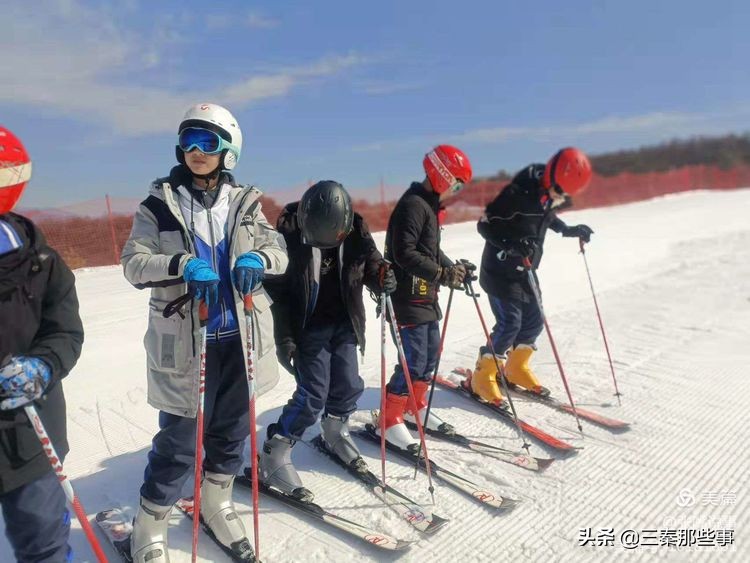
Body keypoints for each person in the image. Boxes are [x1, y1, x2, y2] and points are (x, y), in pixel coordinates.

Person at [121, 103, 288, 563]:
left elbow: (279, 250)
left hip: (240, 340)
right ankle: (150, 523)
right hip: (187, 344)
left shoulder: (245, 202)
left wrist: (260, 260)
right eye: (189, 140)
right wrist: (179, 264)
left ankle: (215, 501)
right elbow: (133, 264)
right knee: (179, 440)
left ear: (228, 150)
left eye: (207, 141)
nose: (196, 150)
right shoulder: (158, 204)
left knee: (233, 430)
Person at [259, 181, 395, 501]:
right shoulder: (289, 237)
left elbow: (372, 262)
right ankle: (274, 451)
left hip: (344, 323)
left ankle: (334, 431)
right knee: (312, 396)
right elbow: (278, 297)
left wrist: (381, 276)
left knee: (349, 385)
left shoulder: (356, 231)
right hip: (309, 329)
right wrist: (285, 339)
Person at [0, 126, 84, 562]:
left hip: (29, 434)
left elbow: (65, 330)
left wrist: (43, 367)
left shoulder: (41, 261)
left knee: (43, 543)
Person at [469, 147, 594, 404]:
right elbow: (484, 224)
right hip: (500, 271)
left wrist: (568, 230)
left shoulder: (546, 193)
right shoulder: (516, 194)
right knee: (509, 324)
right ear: (550, 177)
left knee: (535, 321)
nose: (559, 197)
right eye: (559, 191)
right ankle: (482, 378)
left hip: (526, 269)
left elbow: (546, 216)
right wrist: (510, 245)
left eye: (564, 194)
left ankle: (514, 370)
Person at [380, 145, 475, 449]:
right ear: (442, 175)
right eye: (456, 185)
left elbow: (429, 251)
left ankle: (414, 404)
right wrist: (440, 274)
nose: (457, 191)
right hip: (407, 298)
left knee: (431, 353)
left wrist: (452, 268)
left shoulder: (428, 205)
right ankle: (389, 417)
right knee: (413, 359)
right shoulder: (413, 205)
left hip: (426, 297)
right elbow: (403, 253)